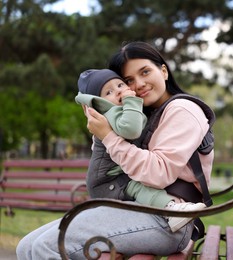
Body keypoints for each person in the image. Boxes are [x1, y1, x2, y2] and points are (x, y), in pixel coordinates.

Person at [16, 41, 214, 259]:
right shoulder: (144, 115)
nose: (139, 84)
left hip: (170, 218)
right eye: (128, 80)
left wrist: (108, 137)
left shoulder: (182, 110)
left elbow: (158, 173)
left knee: (47, 247)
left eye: (145, 72)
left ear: (164, 71)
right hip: (138, 209)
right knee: (25, 246)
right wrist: (104, 122)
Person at [75, 68, 206, 232]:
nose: (118, 91)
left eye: (120, 84)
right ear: (98, 102)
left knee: (139, 187)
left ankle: (172, 210)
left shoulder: (118, 112)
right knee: (139, 188)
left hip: (113, 177)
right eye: (108, 92)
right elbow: (131, 130)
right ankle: (171, 210)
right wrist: (132, 101)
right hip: (108, 181)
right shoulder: (111, 112)